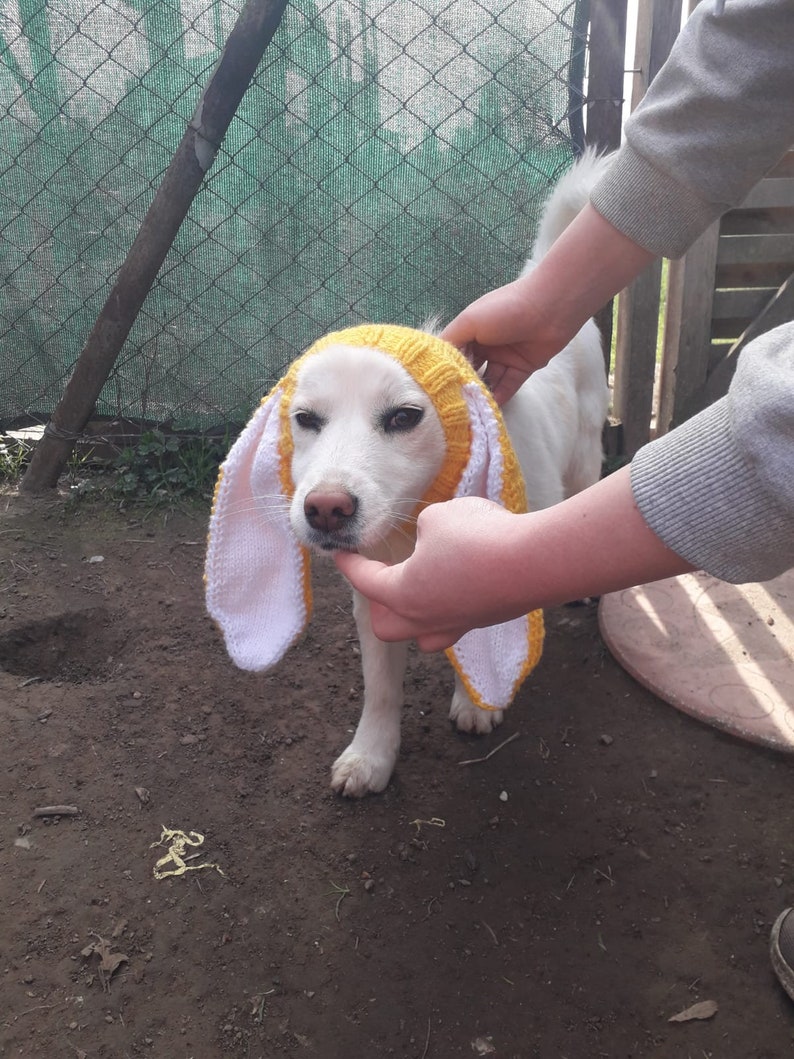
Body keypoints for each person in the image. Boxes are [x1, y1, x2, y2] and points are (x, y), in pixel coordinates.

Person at [332, 0, 794, 1000]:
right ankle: (391, 717)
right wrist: (555, 292)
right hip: (568, 309)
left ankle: (493, 662)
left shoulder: (501, 437)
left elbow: (772, 442)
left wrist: (544, 557)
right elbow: (759, 40)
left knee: (570, 486)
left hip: (560, 420)